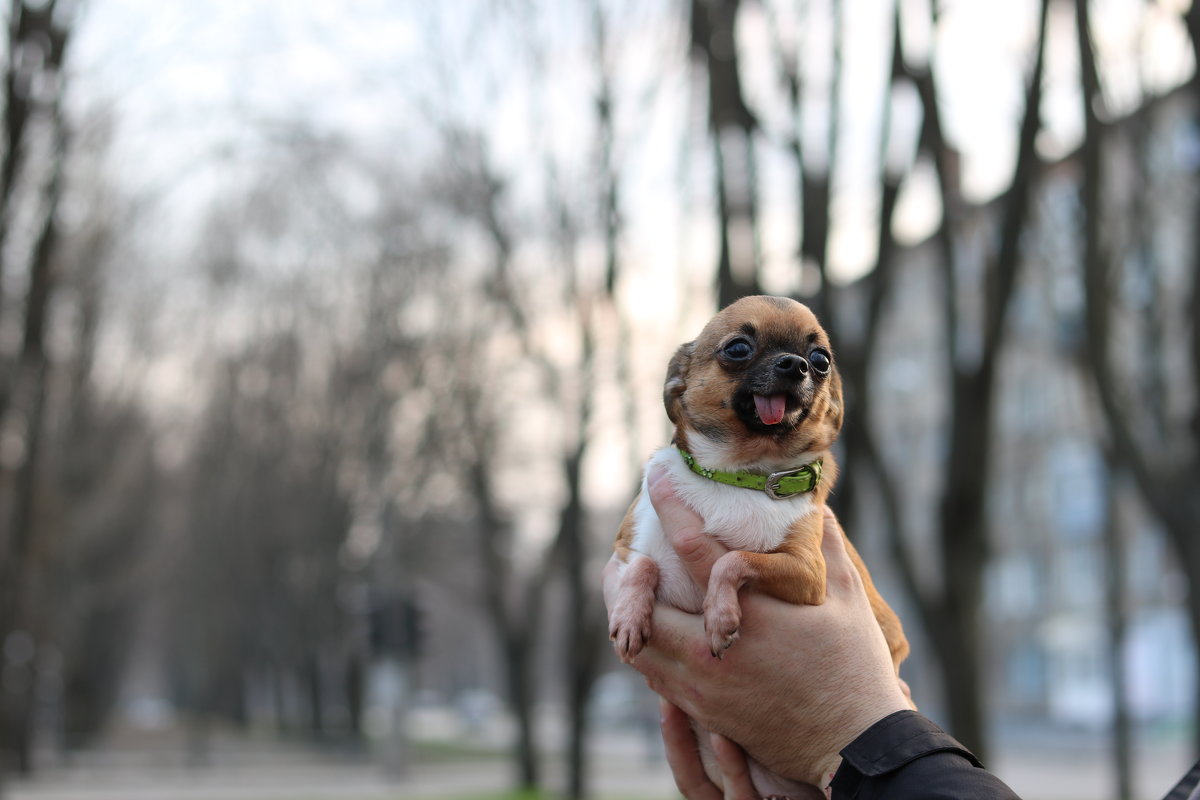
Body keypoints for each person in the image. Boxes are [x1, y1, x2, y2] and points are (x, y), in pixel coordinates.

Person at [601, 465, 1025, 799]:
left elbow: (883, 632)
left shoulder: (795, 503)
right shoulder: (678, 491)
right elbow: (629, 556)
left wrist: (860, 728)